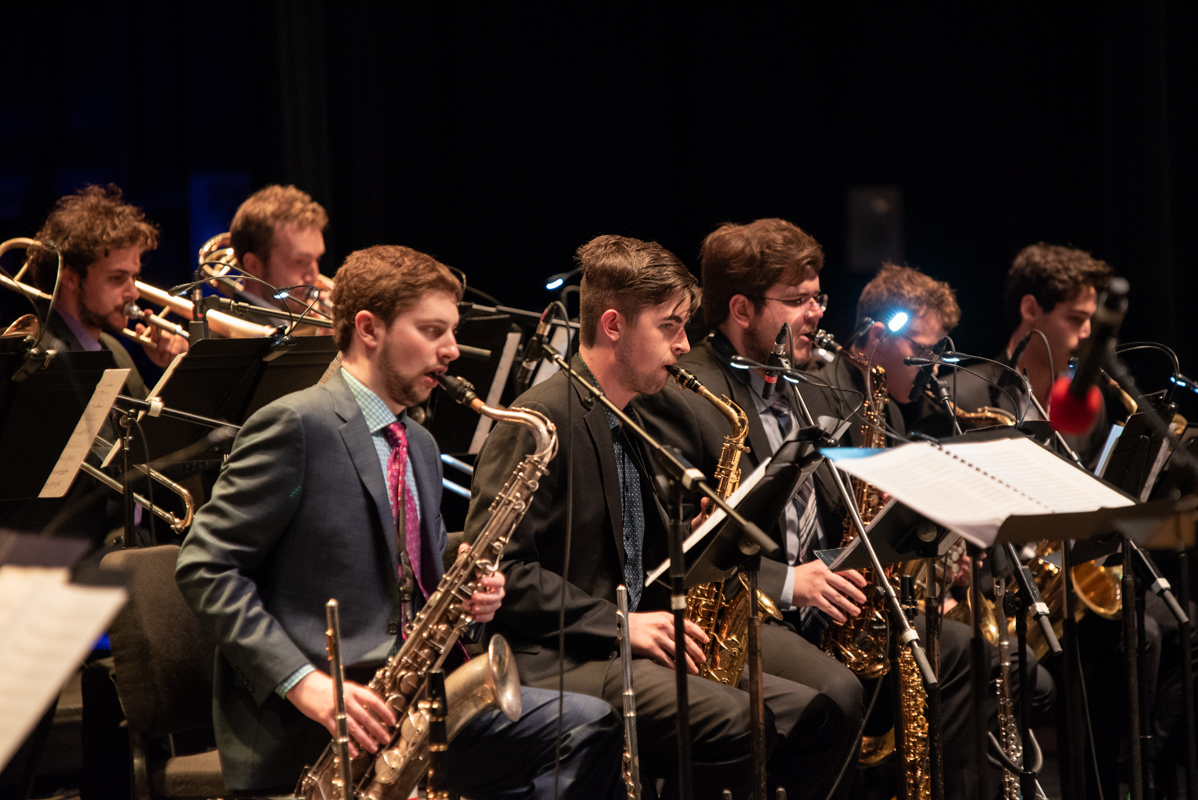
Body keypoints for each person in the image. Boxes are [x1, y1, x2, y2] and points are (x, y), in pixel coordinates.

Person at [176, 244, 622, 798]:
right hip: (321, 719)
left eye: (451, 332)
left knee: (589, 723)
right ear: (369, 328)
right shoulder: (296, 424)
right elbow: (206, 567)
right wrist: (305, 683)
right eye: (432, 331)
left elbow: (419, 584)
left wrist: (473, 601)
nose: (452, 350)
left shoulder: (420, 444)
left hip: (413, 703)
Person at [466, 233, 861, 800]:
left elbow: (627, 540)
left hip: (630, 633)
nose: (682, 344)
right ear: (613, 325)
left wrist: (695, 535)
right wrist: (621, 624)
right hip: (558, 653)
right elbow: (505, 572)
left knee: (815, 709)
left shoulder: (627, 413)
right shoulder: (539, 421)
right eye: (669, 326)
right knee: (736, 719)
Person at [814, 262, 1056, 800]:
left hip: (887, 602)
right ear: (875, 337)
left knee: (1017, 672)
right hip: (836, 612)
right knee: (991, 664)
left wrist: (944, 557)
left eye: (938, 352)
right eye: (920, 351)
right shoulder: (828, 400)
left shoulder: (897, 412)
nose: (931, 368)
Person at [949, 243, 1114, 468]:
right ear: (1031, 309)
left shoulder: (1087, 404)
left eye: (1091, 321)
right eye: (1076, 318)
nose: (1087, 332)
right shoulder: (956, 394)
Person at [24, 183, 187, 394]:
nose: (134, 293)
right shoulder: (36, 356)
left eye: (134, 276)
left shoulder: (116, 351)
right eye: (117, 278)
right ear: (71, 278)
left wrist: (177, 371)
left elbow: (149, 428)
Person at [227, 184, 329, 316]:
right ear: (253, 266)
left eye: (318, 259)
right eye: (299, 262)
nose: (314, 277)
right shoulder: (230, 334)